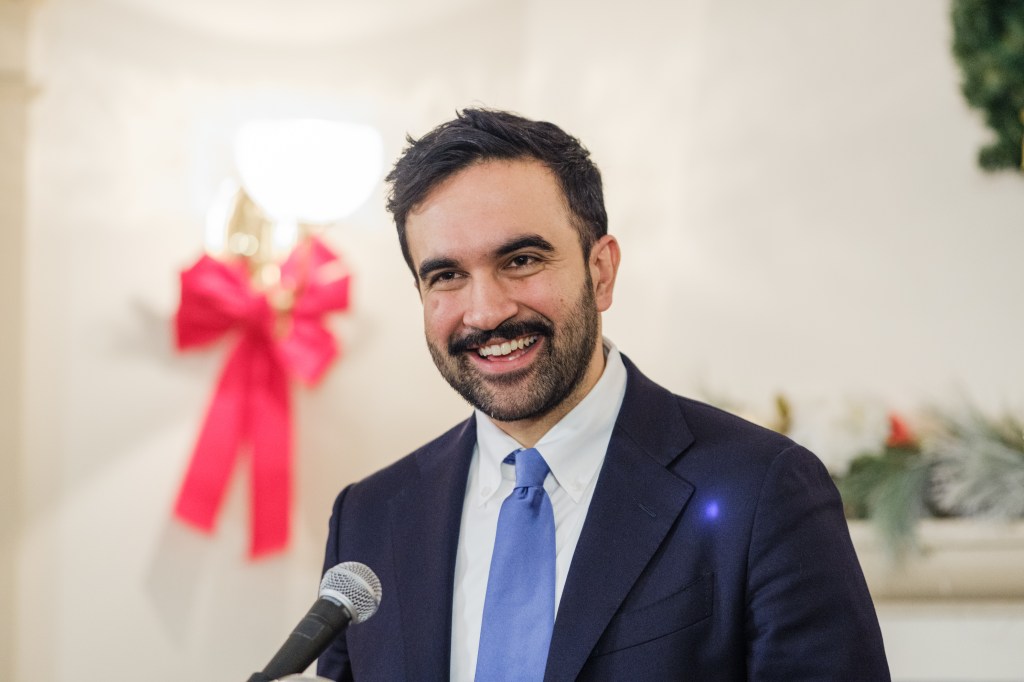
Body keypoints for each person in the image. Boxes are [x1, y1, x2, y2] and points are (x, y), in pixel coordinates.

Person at [317, 108, 890, 681]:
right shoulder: (368, 517)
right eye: (446, 276)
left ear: (601, 272)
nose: (486, 311)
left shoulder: (762, 491)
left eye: (521, 261)